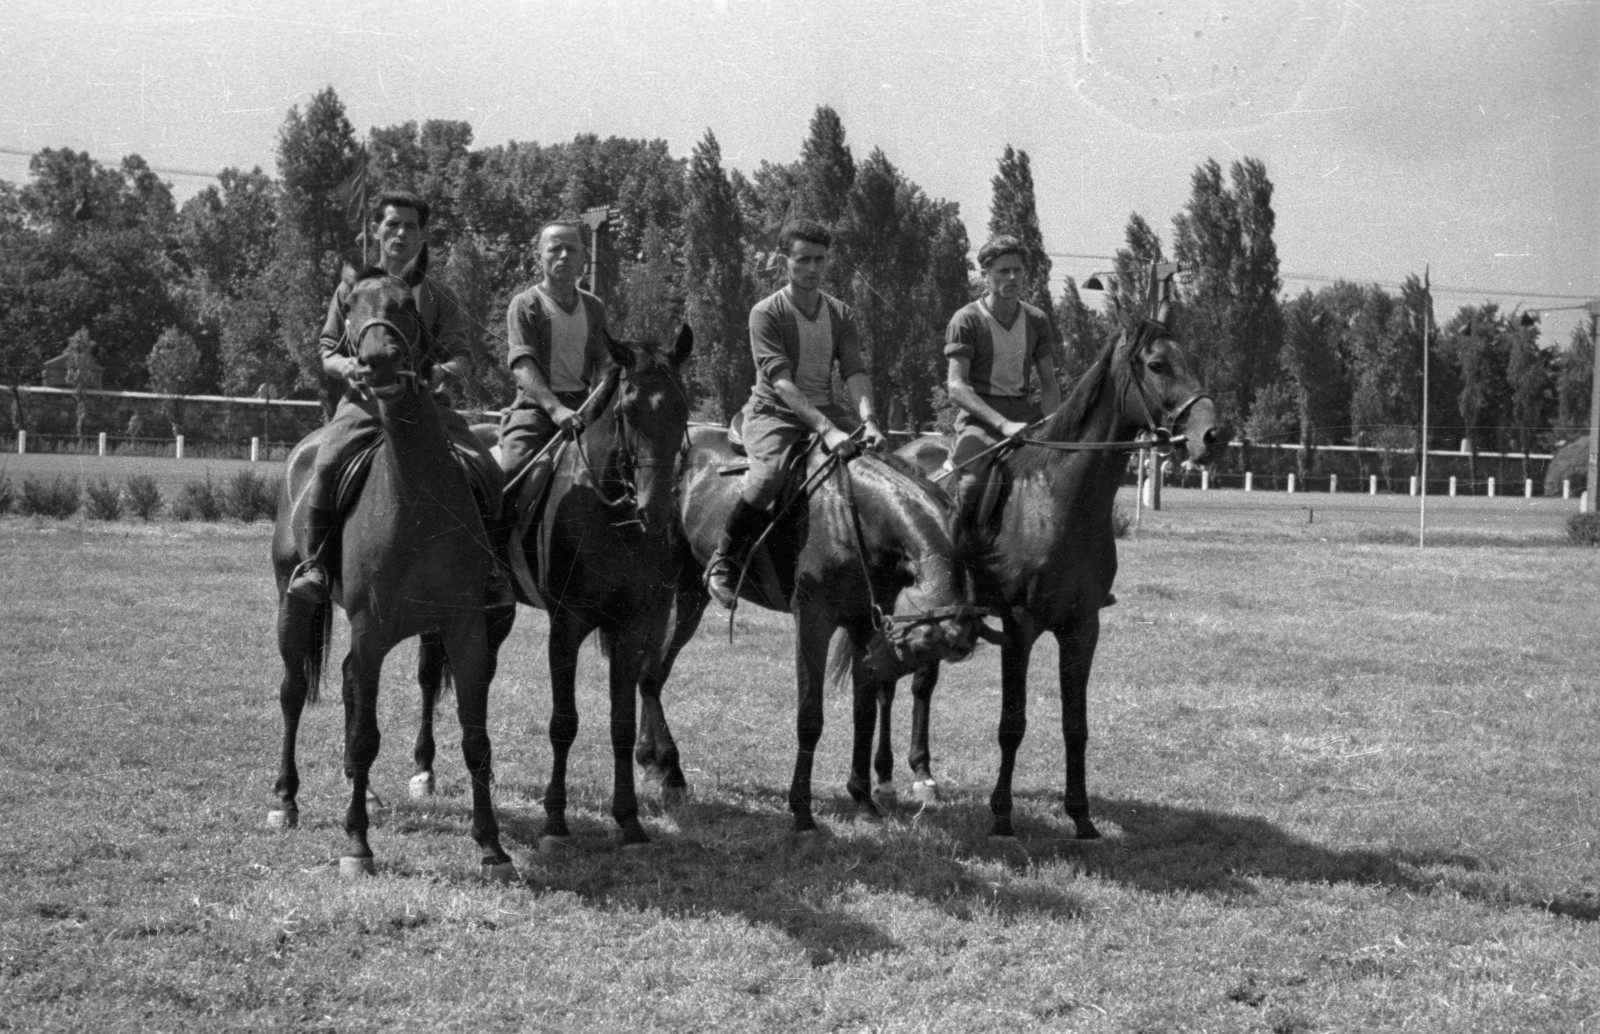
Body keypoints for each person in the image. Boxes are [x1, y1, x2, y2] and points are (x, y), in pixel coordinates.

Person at [286, 190, 509, 605]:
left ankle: (492, 570)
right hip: (364, 406)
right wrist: (348, 367)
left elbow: (461, 355)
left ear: (423, 235)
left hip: (427, 409)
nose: (401, 233)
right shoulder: (351, 289)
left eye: (411, 226)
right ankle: (315, 567)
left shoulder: (439, 295)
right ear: (376, 230)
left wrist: (441, 371)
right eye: (393, 224)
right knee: (328, 461)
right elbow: (328, 350)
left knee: (486, 469)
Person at [704, 218, 887, 608]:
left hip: (828, 412)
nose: (812, 269)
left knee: (879, 467)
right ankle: (723, 561)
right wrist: (827, 431)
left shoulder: (841, 314)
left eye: (820, 260)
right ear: (784, 260)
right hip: (775, 413)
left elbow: (854, 372)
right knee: (768, 476)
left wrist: (868, 421)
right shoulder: (765, 313)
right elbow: (782, 383)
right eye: (802, 259)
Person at [943, 234, 1062, 521]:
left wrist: (1059, 425)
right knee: (971, 486)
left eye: (1017, 270)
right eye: (1002, 271)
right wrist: (1002, 424)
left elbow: (1048, 381)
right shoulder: (966, 319)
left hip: (1023, 416)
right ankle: (953, 554)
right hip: (980, 420)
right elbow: (956, 387)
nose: (1012, 277)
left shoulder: (1036, 320)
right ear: (986, 275)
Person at [498, 221, 614, 481]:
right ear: (539, 257)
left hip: (582, 411)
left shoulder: (594, 307)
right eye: (555, 249)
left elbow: (606, 364)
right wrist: (555, 409)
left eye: (572, 250)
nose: (564, 255)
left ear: (583, 257)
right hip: (536, 412)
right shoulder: (525, 304)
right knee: (511, 471)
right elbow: (521, 364)